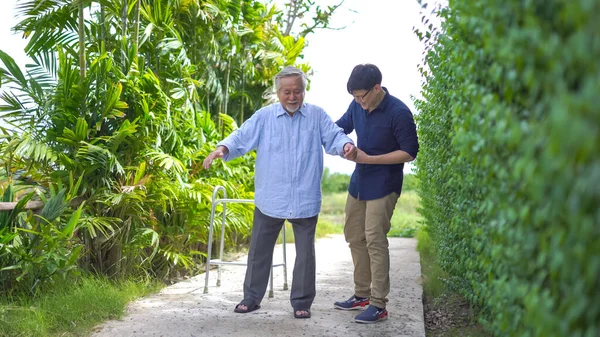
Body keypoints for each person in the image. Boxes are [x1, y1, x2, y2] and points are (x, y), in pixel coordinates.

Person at [203, 66, 357, 319]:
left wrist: (346, 145)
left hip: (305, 197)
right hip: (270, 197)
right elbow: (242, 136)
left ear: (304, 91)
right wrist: (222, 148)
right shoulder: (264, 117)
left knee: (305, 254)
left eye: (298, 91)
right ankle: (251, 298)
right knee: (259, 251)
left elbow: (334, 137)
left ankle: (301, 302)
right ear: (278, 92)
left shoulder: (317, 116)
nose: (293, 96)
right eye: (287, 92)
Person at [333, 64, 419, 324]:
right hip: (359, 181)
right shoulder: (356, 106)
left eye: (362, 97)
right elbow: (339, 128)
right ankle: (361, 294)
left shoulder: (399, 112)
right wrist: (346, 145)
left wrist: (370, 159)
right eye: (354, 98)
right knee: (353, 235)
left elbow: (409, 152)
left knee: (374, 239)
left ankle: (378, 304)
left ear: (377, 88)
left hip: (384, 183)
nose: (359, 102)